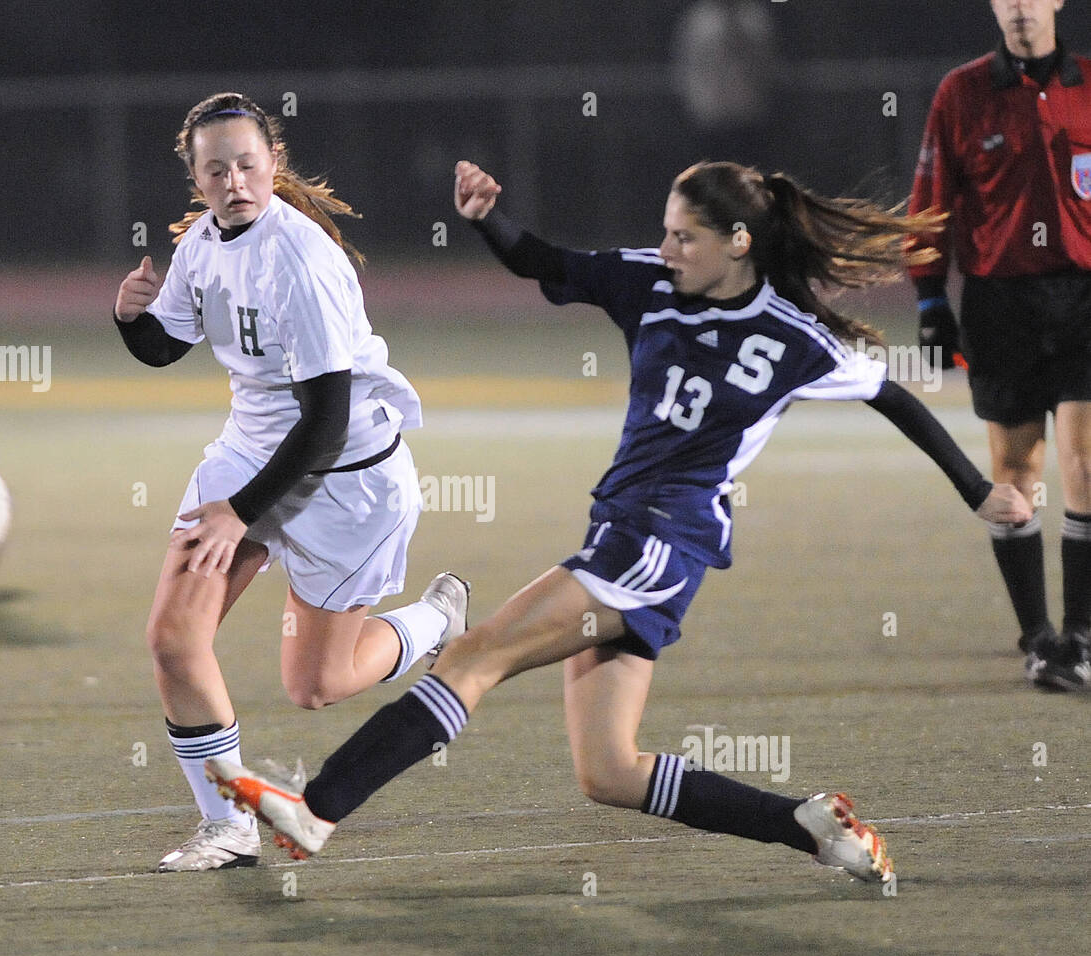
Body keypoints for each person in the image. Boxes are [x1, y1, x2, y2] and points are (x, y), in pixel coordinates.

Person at [205, 158, 1032, 883]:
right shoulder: (650, 284)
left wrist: (975, 489)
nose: (666, 248)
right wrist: (490, 221)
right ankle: (806, 825)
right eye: (666, 232)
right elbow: (547, 263)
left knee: (479, 652)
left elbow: (893, 397)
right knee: (608, 770)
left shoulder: (793, 337)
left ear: (739, 242)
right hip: (626, 540)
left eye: (685, 237)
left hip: (661, 544)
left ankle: (317, 809)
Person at [113, 93, 468, 873]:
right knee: (174, 639)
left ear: (273, 161)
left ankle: (433, 622)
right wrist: (129, 316)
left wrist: (240, 515)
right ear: (197, 180)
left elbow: (326, 421)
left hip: (345, 477)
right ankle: (229, 825)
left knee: (316, 684)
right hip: (251, 453)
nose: (235, 180)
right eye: (217, 169)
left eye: (247, 163)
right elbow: (164, 345)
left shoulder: (297, 259)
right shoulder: (204, 242)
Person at [910, 0, 1091, 691]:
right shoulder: (961, 93)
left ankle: (1080, 633)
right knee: (1018, 475)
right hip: (1000, 304)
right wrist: (929, 297)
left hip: (1083, 298)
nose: (1018, 7)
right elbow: (931, 199)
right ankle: (1039, 638)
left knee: (1085, 463)